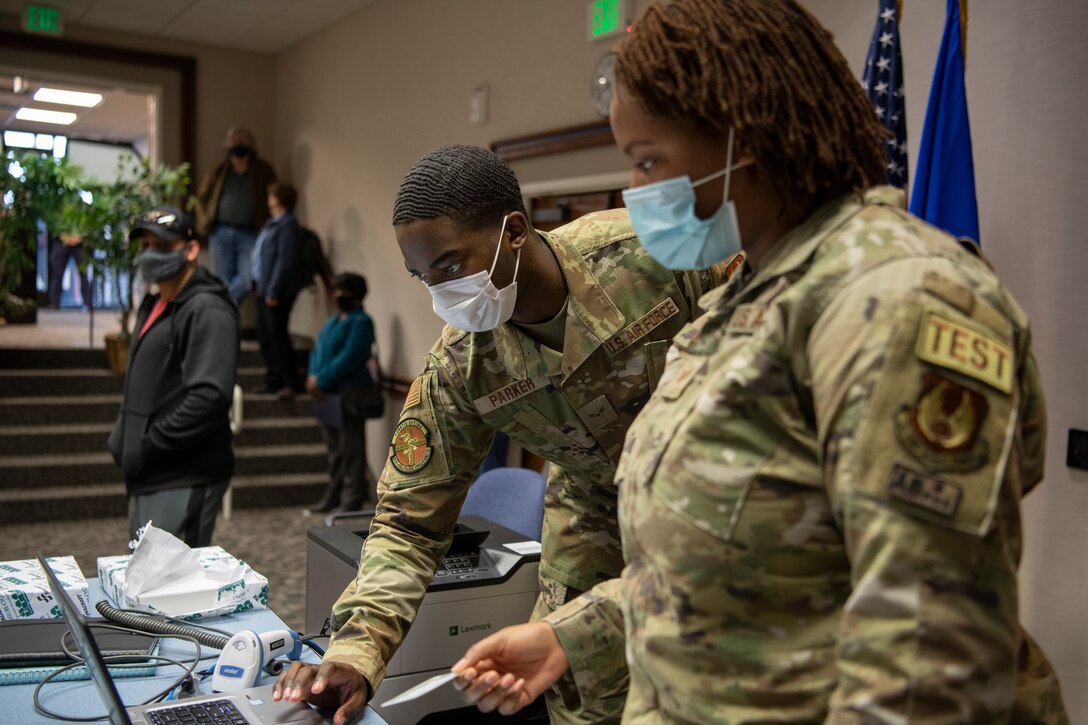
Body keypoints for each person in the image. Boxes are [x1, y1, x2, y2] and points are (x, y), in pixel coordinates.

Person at [451, 1, 1069, 723]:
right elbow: (739, 558)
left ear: (750, 131)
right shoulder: (736, 306)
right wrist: (571, 634)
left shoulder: (896, 298)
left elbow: (927, 653)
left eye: (650, 161)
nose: (637, 192)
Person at [272, 144, 728, 725]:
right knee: (585, 700)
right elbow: (410, 523)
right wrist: (356, 651)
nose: (439, 291)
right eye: (421, 275)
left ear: (515, 230)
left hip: (713, 491)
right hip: (593, 515)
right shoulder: (463, 364)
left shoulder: (652, 252)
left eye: (451, 265)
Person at [107, 206, 239, 548]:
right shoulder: (156, 304)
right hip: (149, 476)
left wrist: (148, 446)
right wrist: (123, 439)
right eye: (145, 246)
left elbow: (208, 398)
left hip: (181, 475)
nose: (151, 255)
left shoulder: (207, 309)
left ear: (191, 250)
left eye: (163, 247)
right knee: (145, 583)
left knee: (170, 590)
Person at [304, 272, 378, 514]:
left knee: (351, 451)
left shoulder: (361, 322)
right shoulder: (333, 321)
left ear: (356, 294)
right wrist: (312, 377)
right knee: (334, 452)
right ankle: (332, 497)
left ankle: (351, 500)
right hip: (328, 395)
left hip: (350, 394)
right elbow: (318, 350)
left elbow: (350, 357)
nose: (337, 295)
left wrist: (321, 379)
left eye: (343, 291)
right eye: (336, 290)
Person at [195, 126, 278, 304]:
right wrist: (204, 221)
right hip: (220, 232)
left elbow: (274, 195)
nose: (237, 147)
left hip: (249, 233)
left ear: (250, 146)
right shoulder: (218, 171)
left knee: (247, 278)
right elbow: (201, 199)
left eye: (241, 143)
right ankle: (226, 320)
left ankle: (222, 308)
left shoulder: (262, 170)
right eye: (233, 144)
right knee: (220, 281)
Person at [252, 182, 304, 399]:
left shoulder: (288, 225)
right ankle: (273, 379)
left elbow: (285, 260)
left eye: (272, 195)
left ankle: (290, 382)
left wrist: (273, 289)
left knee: (278, 335)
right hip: (262, 288)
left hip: (277, 292)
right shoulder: (270, 224)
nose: (269, 198)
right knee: (265, 336)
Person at [47, 231, 91, 308]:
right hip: (60, 241)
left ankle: (87, 303)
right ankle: (54, 303)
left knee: (84, 274)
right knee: (57, 275)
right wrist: (64, 237)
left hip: (80, 243)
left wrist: (80, 237)